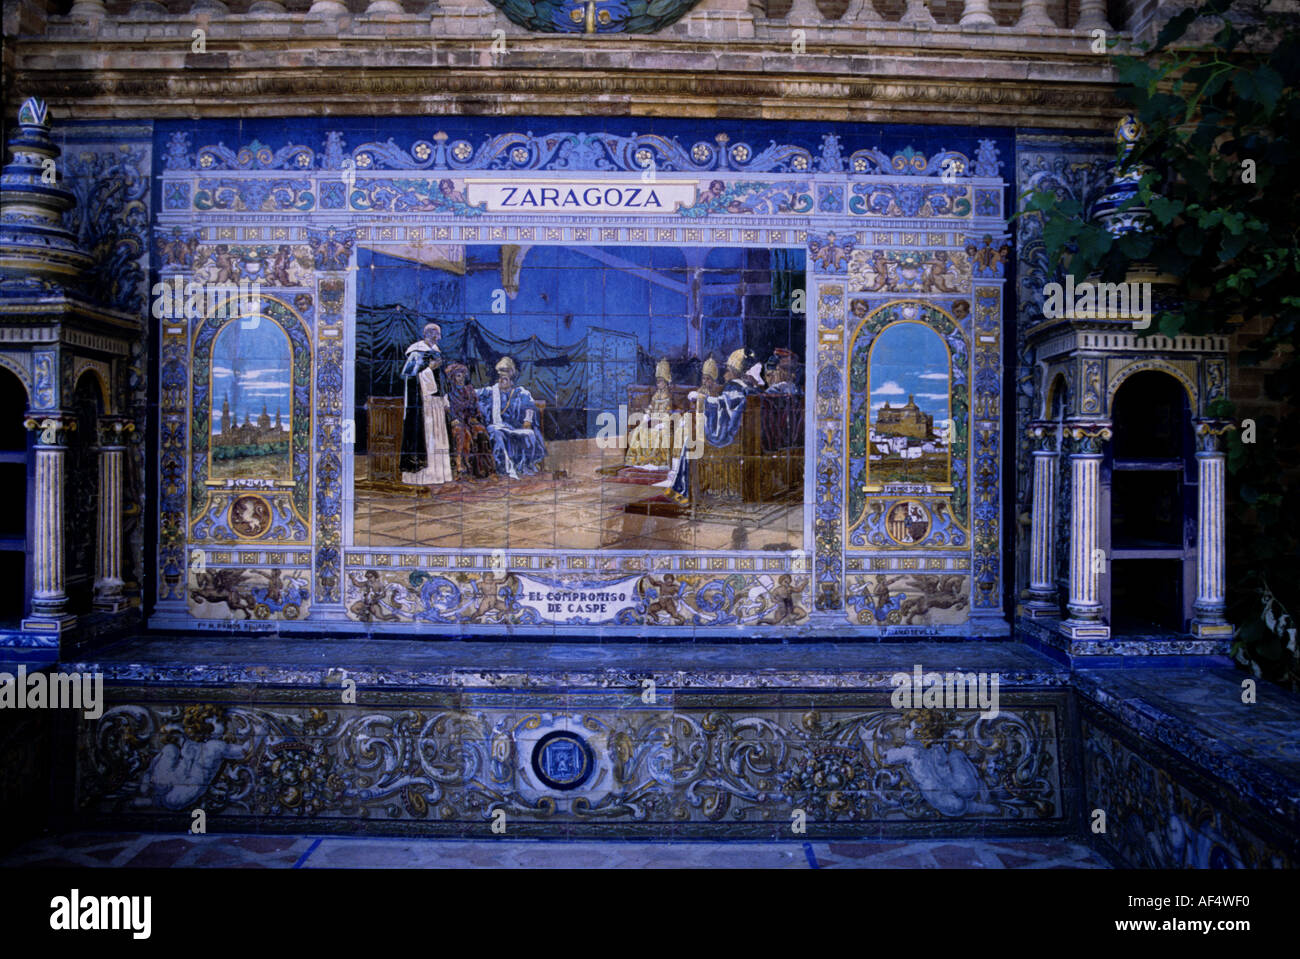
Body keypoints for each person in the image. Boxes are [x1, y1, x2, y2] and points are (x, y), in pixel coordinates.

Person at [663, 348, 758, 502]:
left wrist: (701, 398)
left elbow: (723, 404)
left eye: (728, 369)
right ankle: (679, 485)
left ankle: (683, 488)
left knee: (690, 441)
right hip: (741, 434)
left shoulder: (735, 386)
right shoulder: (750, 387)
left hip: (728, 437)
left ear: (734, 371)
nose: (726, 373)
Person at [400, 322, 453, 486]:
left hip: (435, 402)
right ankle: (422, 476)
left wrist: (444, 399)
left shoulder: (436, 351)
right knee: (425, 435)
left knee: (437, 437)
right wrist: (429, 367)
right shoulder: (416, 351)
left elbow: (441, 379)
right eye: (436, 334)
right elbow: (410, 376)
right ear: (428, 334)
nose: (439, 338)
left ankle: (439, 474)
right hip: (423, 402)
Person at [477, 356, 546, 478]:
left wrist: (527, 420)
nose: (501, 381)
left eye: (505, 379)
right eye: (500, 378)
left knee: (529, 434)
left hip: (515, 427)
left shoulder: (520, 392)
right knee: (496, 432)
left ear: (511, 380)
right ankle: (504, 468)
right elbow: (472, 393)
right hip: (497, 425)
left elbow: (529, 406)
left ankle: (524, 465)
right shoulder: (491, 391)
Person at [625, 358, 684, 470]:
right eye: (657, 381)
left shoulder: (669, 395)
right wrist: (647, 414)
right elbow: (651, 407)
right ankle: (641, 461)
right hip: (652, 420)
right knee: (639, 431)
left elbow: (670, 412)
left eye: (661, 381)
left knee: (658, 434)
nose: (658, 384)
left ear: (666, 382)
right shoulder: (655, 395)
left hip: (663, 421)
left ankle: (657, 462)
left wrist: (663, 422)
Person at [445, 362, 493, 478]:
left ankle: (484, 467)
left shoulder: (470, 390)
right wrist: (454, 419)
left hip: (470, 420)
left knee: (481, 432)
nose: (461, 378)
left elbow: (476, 408)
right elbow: (449, 411)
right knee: (463, 434)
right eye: (458, 375)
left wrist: (475, 417)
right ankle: (462, 465)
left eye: (462, 375)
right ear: (453, 378)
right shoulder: (450, 394)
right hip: (458, 421)